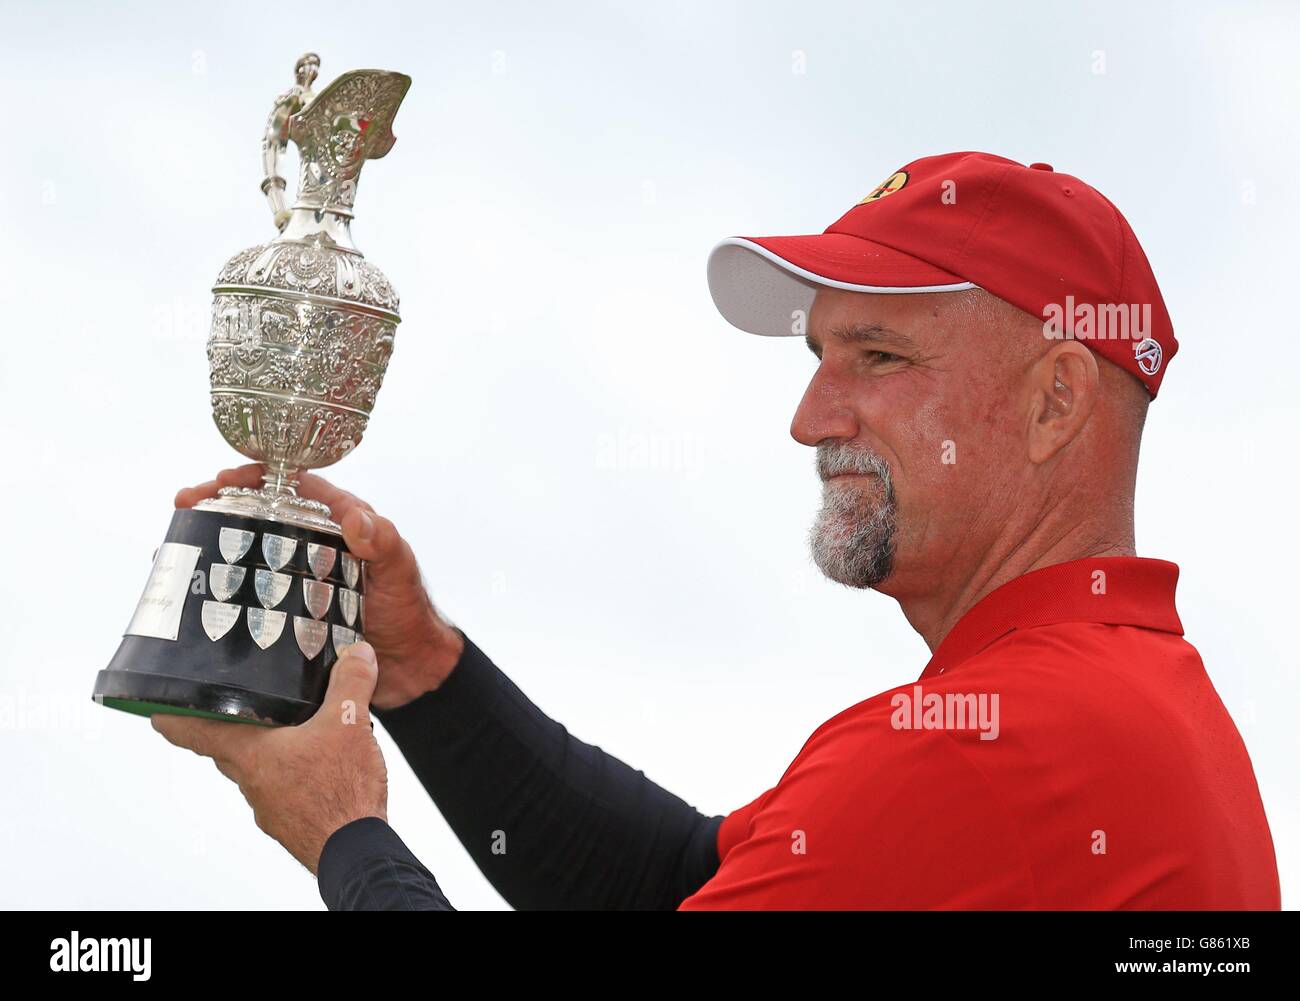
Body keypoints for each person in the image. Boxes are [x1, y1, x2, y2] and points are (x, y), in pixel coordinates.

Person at [156, 152, 1281, 909]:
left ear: (1054, 401)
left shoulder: (1000, 743)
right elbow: (683, 877)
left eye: (878, 357)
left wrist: (340, 829)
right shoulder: (1110, 698)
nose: (809, 419)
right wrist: (416, 664)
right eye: (817, 358)